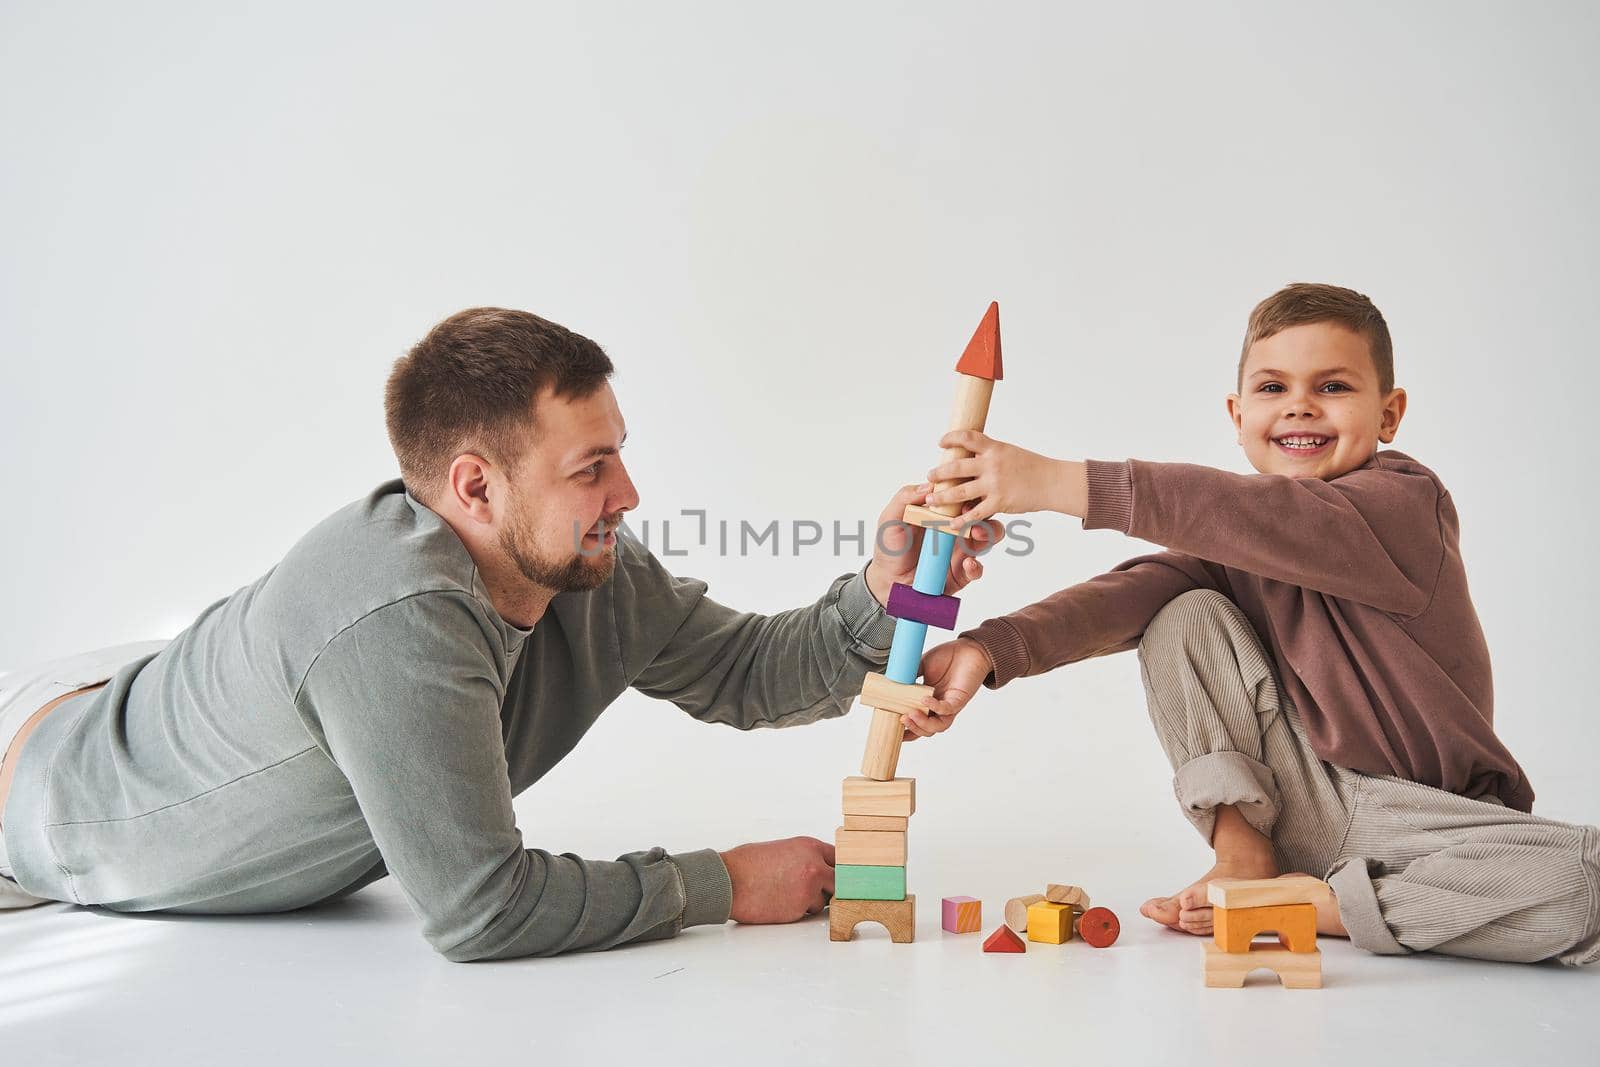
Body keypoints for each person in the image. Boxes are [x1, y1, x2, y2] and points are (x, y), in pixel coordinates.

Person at [0, 307, 995, 961]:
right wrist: (722, 882)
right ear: (475, 485)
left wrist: (883, 585)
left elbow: (742, 672)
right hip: (58, 795)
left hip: (155, 693)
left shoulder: (579, 563)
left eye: (620, 456)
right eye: (590, 467)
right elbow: (481, 908)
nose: (629, 494)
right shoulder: (398, 620)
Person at [905, 282, 1599, 965]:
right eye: (1273, 388)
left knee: (1587, 881)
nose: (1301, 404)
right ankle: (1244, 855)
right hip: (1299, 796)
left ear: (1389, 414)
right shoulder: (1234, 547)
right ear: (1237, 416)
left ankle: (1316, 904)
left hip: (1427, 823)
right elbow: (1129, 593)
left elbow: (1260, 516)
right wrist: (987, 649)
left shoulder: (1405, 504)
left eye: (1333, 387)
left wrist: (1059, 482)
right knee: (1181, 611)